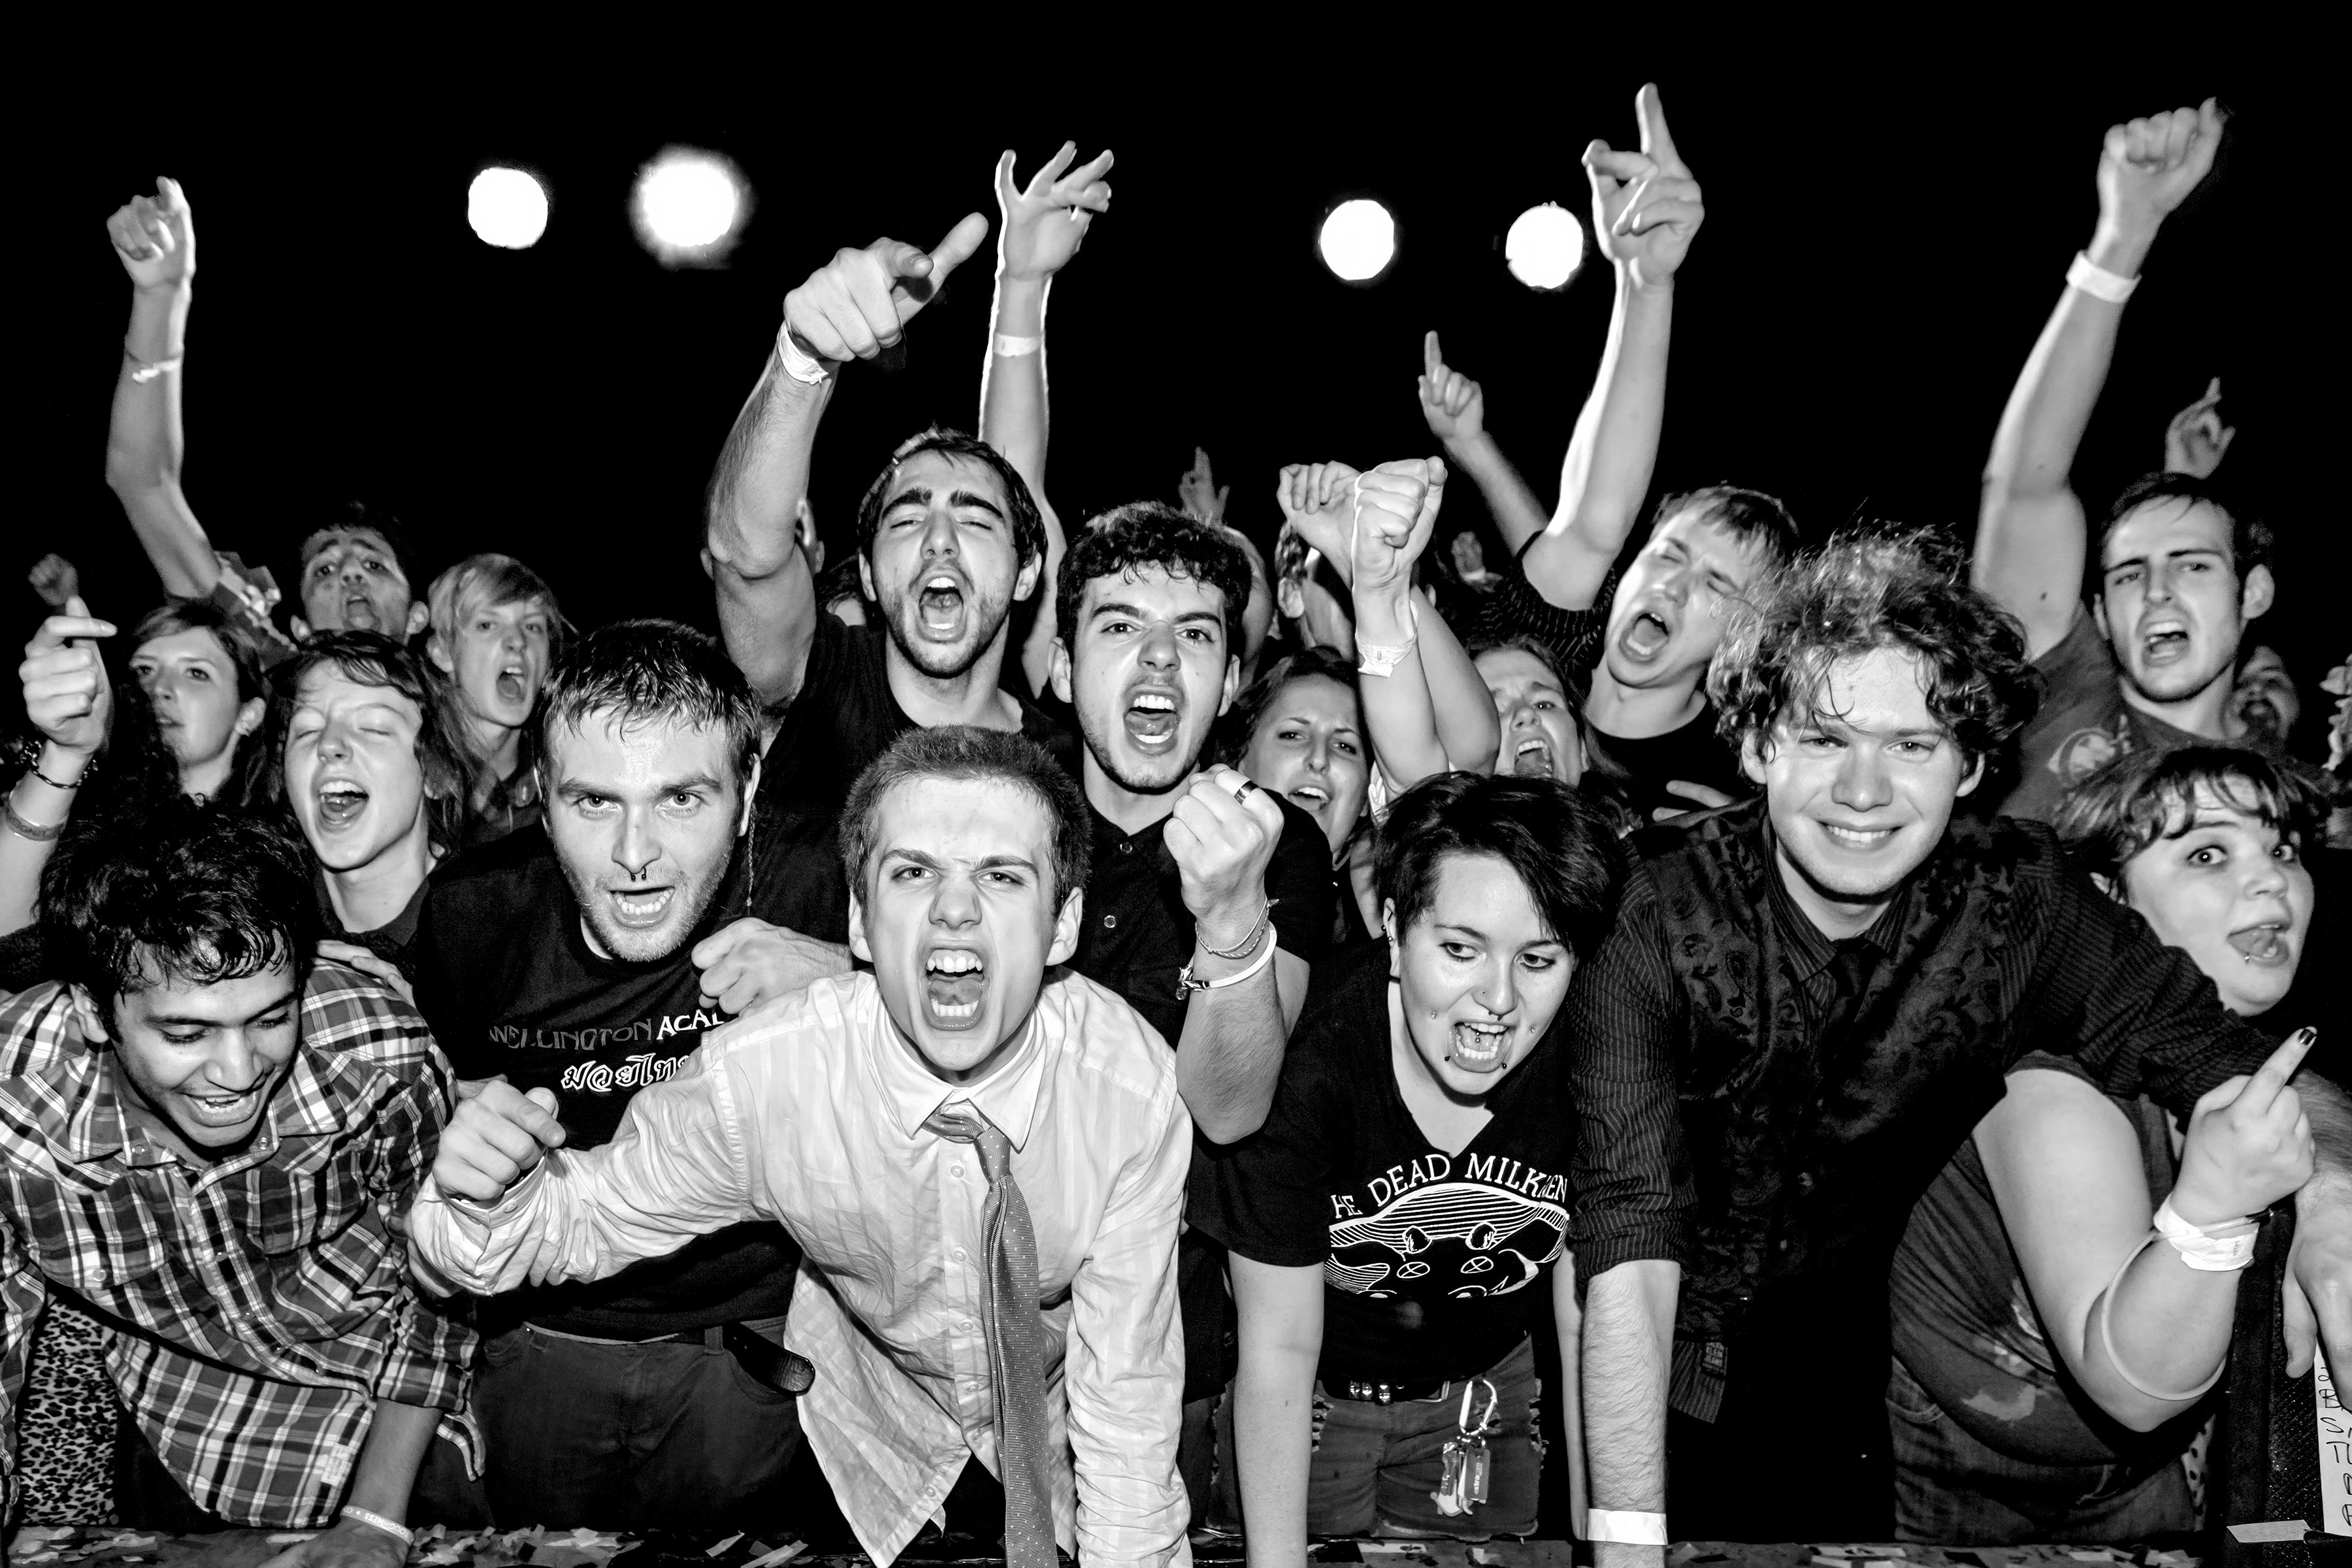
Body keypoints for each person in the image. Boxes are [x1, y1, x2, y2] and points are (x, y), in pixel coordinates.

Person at [1569, 532, 2352, 1554]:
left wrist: (2332, 1198)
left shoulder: (2017, 903)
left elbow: (2225, 1053)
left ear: (1973, 763)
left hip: (1843, 1401)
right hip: (1632, 1374)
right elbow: (1632, 1245)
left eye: (1912, 745)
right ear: (1758, 748)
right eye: (1823, 739)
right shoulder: (1651, 905)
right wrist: (1626, 1538)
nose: (1864, 791)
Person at [406, 727, 1191, 1568]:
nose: (954, 909)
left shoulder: (1125, 1090)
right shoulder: (771, 1078)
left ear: (1064, 924)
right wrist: (483, 1201)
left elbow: (1127, 1411)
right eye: (913, 873)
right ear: (858, 917)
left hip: (1058, 1424)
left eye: (1000, 876)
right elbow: (581, 1215)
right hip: (870, 1430)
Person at [408, 620, 830, 1532]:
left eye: (682, 800)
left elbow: (1012, 1010)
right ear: (543, 798)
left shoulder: (823, 883)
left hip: (750, 1353)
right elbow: (445, 1127)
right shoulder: (472, 915)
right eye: (595, 803)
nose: (636, 853)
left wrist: (846, 977)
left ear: (749, 789)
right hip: (541, 1343)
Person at [0, 800, 478, 1545]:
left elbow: (443, 1292)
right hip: (188, 1430)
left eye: (270, 1019)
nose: (238, 1072)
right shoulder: (16, 1116)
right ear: (93, 1012)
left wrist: (376, 1518)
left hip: (392, 1409)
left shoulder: (382, 1059)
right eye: (186, 1033)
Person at [1889, 745, 2327, 1543]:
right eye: (2206, 853)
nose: (2270, 880)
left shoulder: (2234, 1055)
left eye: (2283, 849)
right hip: (1966, 1470)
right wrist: (2216, 1210)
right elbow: (2133, 1385)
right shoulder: (2046, 1074)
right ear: (2104, 900)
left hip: (2137, 1467)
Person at [1205, 774, 1624, 1552]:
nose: (1497, 998)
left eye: (1538, 960)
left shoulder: (1594, 1057)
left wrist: (1604, 1539)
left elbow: (1588, 1318)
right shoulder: (1312, 1057)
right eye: (1460, 950)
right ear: (1395, 930)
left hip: (1486, 1399)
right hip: (1314, 1403)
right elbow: (1279, 1347)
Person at [702, 189, 1076, 954]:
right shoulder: (817, 683)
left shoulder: (1063, 762)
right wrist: (803, 359)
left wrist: (1022, 291)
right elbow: (745, 556)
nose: (939, 540)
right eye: (906, 521)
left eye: (974, 521)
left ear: (1029, 571)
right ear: (869, 578)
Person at [1419, 90, 1793, 825]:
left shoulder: (1746, 782)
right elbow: (1595, 518)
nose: (1679, 587)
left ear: (1748, 637)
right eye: (1672, 555)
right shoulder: (1543, 662)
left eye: (1719, 582)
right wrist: (1645, 286)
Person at [1972, 99, 2266, 822]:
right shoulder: (2068, 698)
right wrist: (2123, 235)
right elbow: (2024, 484)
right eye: (2131, 575)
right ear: (2100, 617)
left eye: (2193, 566)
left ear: (2254, 594)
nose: (2158, 592)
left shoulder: (2284, 810)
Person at [103, 180, 427, 649]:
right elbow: (141, 481)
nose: (352, 573)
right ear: (300, 628)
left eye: (375, 564)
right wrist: (161, 297)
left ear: (420, 616)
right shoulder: (270, 678)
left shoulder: (467, 712)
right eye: (325, 570)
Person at [3, 598, 270, 938]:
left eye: (196, 673)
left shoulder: (282, 844)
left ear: (248, 714)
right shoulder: (91, 830)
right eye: (144, 670)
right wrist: (67, 753)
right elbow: (10, 941)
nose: (159, 689)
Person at [265, 633, 468, 983]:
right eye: (308, 730)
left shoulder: (493, 933)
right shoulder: (262, 918)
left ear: (436, 773)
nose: (328, 745)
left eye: (373, 727)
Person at [1216, 648, 1379, 945]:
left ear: (1368, 798)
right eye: (1292, 735)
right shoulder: (1179, 891)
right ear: (1240, 760)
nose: (1319, 759)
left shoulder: (1384, 923)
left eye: (1345, 746)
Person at [425, 553, 566, 849]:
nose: (517, 640)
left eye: (533, 627)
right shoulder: (411, 777)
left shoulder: (565, 781)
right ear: (443, 652)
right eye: (488, 625)